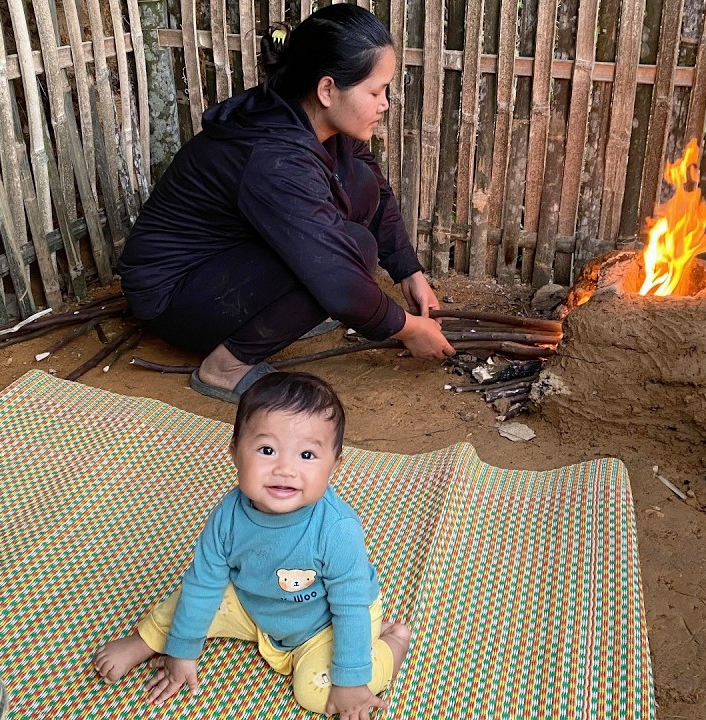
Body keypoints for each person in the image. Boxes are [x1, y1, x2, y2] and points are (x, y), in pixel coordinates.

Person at [116, 4, 454, 403]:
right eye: (375, 92)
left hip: (227, 265)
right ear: (327, 89)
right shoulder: (274, 158)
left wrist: (409, 273)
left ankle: (283, 314)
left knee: (360, 187)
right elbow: (338, 276)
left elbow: (375, 193)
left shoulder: (313, 118)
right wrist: (408, 329)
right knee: (351, 252)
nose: (385, 104)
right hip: (173, 297)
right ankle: (224, 368)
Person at [93, 372, 412, 718]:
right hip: (254, 606)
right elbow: (204, 583)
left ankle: (392, 642)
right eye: (267, 450)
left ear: (334, 466)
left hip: (325, 624)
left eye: (307, 455)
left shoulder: (337, 529)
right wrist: (181, 651)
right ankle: (145, 642)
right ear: (234, 453)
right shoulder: (228, 516)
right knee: (188, 599)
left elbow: (349, 606)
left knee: (317, 692)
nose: (285, 469)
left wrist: (351, 682)